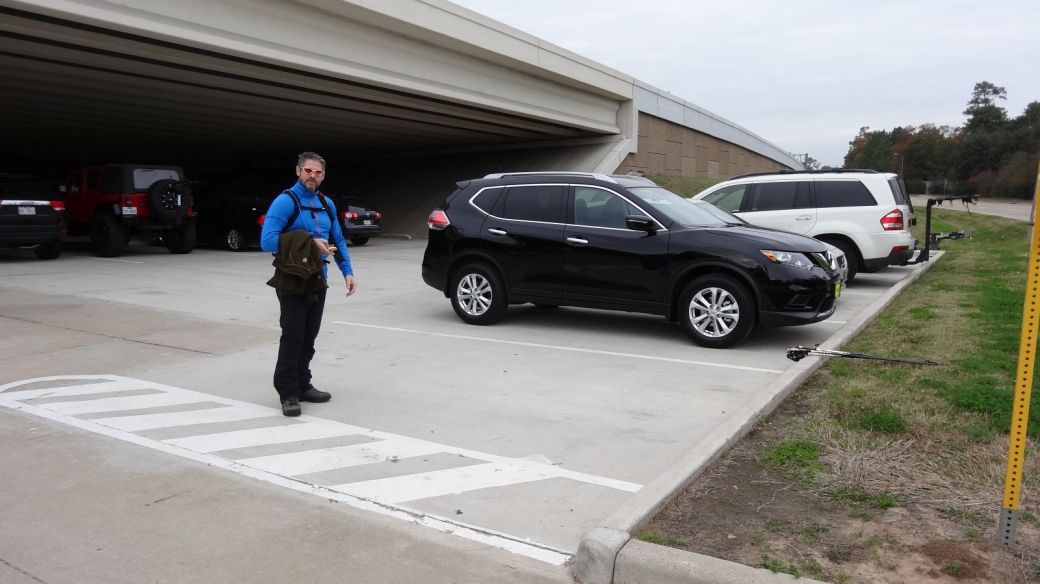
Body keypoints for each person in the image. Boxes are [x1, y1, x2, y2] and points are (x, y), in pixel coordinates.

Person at [260, 152, 357, 416]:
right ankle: (288, 392)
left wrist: (347, 271)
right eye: (308, 171)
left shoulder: (327, 204)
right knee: (293, 336)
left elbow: (337, 238)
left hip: (318, 279)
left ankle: (303, 384)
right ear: (298, 171)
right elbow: (267, 241)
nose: (312, 176)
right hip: (292, 280)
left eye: (318, 172)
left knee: (309, 337)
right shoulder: (285, 201)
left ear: (323, 176)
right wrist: (308, 242)